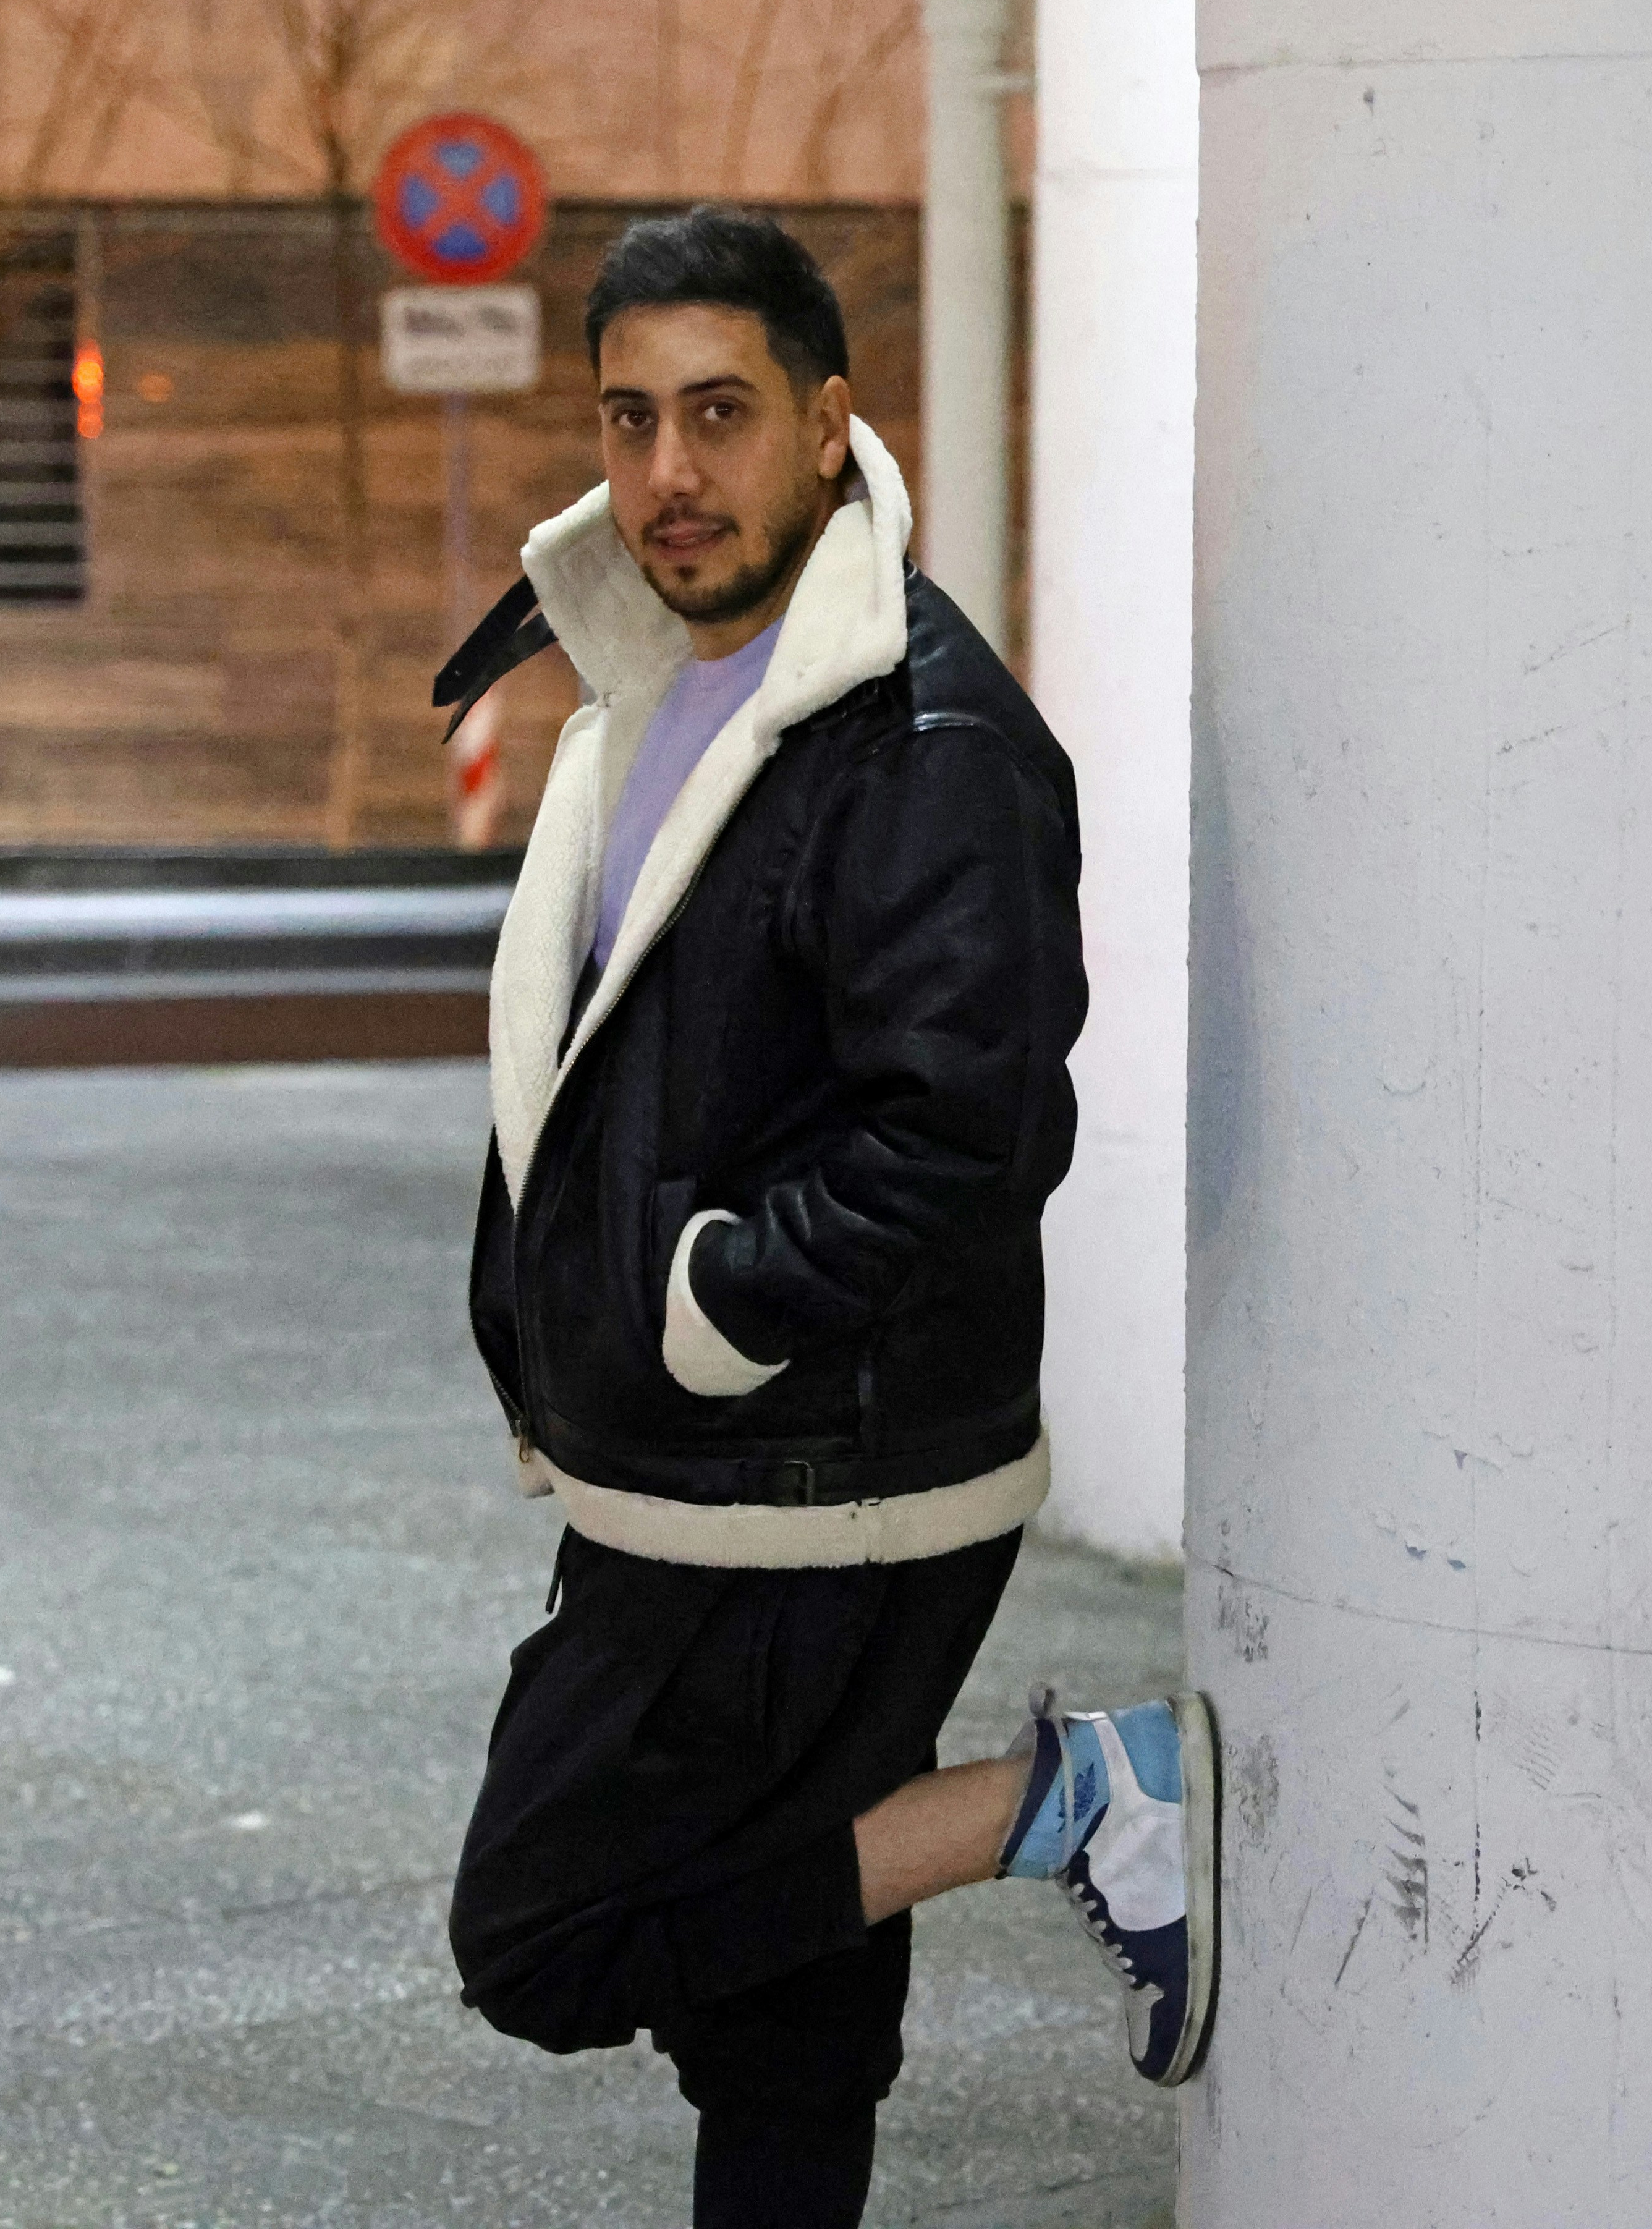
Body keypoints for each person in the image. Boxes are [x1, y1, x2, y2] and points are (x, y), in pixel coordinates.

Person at [439, 205, 1219, 2229]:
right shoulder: (666, 683)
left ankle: (1076, 1795)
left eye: (720, 413)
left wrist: (707, 1309)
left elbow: (969, 1133)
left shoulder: (922, 738)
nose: (670, 474)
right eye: (632, 421)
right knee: (783, 2014)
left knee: (547, 1930)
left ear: (824, 423)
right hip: (716, 1454)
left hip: (802, 1470)